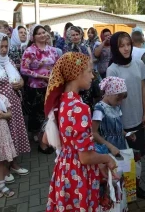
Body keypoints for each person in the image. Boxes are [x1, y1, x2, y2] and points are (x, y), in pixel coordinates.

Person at [43, 52, 117, 211]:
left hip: (65, 169)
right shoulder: (79, 108)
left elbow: (47, 139)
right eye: (89, 71)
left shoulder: (62, 101)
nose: (92, 76)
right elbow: (85, 157)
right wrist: (107, 159)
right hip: (78, 174)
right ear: (76, 73)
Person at [107, 31, 145, 199]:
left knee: (138, 157)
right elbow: (111, 100)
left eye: (128, 44)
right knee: (125, 158)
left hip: (138, 118)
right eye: (121, 45)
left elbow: (143, 88)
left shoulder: (139, 63)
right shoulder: (113, 69)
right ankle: (126, 189)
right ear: (115, 48)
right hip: (122, 123)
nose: (126, 49)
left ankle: (135, 186)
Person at [0, 33, 30, 184]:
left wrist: (21, 83)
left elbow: (18, 77)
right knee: (4, 136)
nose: (4, 49)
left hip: (13, 103)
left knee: (15, 131)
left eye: (6, 46)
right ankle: (3, 169)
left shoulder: (8, 60)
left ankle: (13, 164)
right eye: (1, 46)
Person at [21, 24, 59, 154]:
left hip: (50, 86)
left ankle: (48, 138)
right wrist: (40, 76)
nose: (42, 35)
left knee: (49, 113)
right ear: (33, 36)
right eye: (39, 33)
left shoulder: (52, 50)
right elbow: (24, 69)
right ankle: (39, 140)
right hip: (35, 87)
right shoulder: (30, 51)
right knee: (37, 114)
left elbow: (58, 66)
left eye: (44, 32)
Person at [92, 76, 136, 155]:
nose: (120, 103)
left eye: (121, 100)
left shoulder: (116, 107)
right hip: (107, 150)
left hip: (120, 146)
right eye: (118, 99)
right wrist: (110, 147)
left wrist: (126, 134)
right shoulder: (100, 109)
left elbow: (117, 128)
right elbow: (94, 133)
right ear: (109, 93)